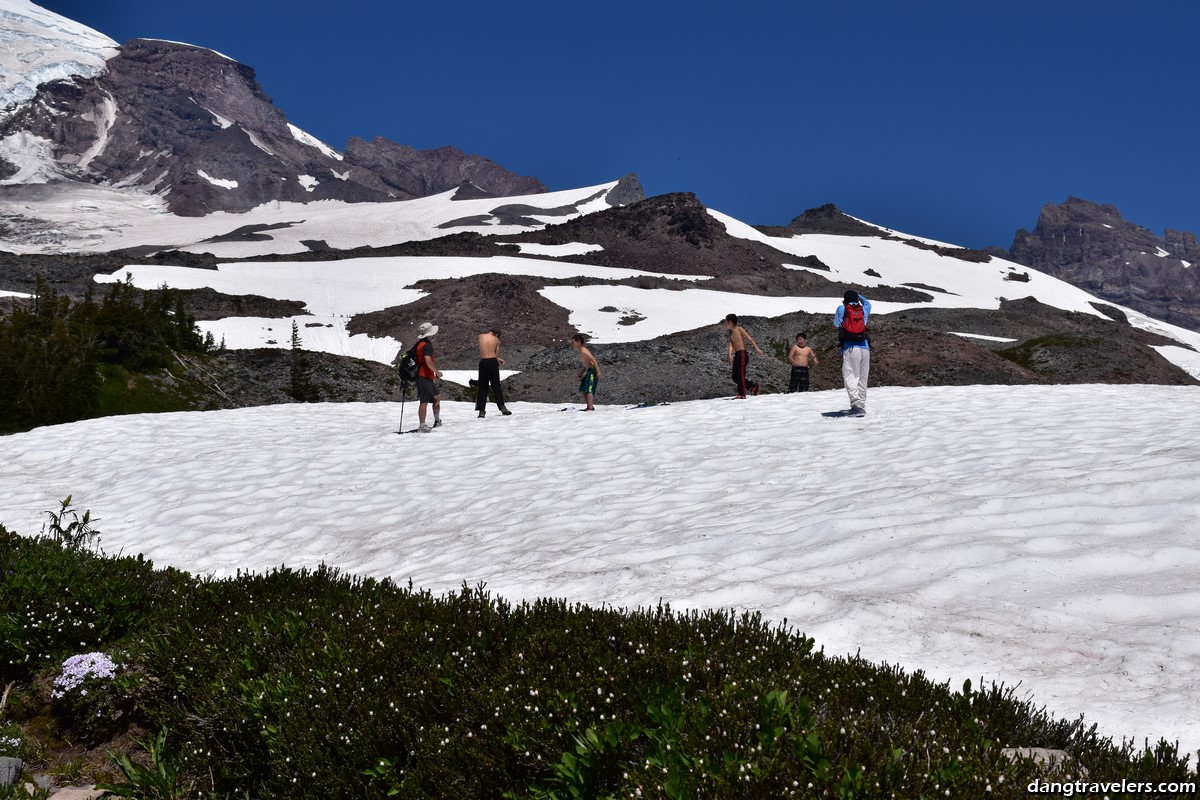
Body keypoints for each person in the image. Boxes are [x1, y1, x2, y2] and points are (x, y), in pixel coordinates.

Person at [833, 290, 871, 415]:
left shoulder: (842, 309)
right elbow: (868, 303)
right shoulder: (863, 310)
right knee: (863, 377)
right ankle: (861, 404)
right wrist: (859, 296)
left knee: (851, 375)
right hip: (865, 348)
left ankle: (856, 405)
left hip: (850, 348)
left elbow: (836, 324)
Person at [413, 322, 443, 432]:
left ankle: (437, 420)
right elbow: (428, 361)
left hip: (426, 377)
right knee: (424, 401)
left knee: (437, 397)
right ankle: (422, 425)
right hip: (424, 376)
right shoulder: (427, 346)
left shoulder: (420, 344)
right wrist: (437, 372)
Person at [724, 314, 763, 398]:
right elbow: (731, 345)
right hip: (737, 355)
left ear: (730, 322)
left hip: (742, 354)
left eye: (726, 322)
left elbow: (749, 338)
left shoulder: (739, 329)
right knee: (735, 377)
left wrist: (757, 348)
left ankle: (741, 394)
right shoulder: (731, 334)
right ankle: (753, 386)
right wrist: (730, 355)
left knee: (741, 374)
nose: (726, 323)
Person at [475, 328, 512, 418]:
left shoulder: (481, 336)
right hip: (492, 363)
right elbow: (495, 354)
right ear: (496, 334)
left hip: (483, 362)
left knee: (483, 387)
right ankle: (502, 407)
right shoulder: (497, 340)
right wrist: (498, 359)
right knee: (496, 385)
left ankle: (481, 411)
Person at [571, 333, 600, 411]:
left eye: (573, 342)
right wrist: (582, 372)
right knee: (583, 388)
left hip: (592, 371)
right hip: (589, 370)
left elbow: (593, 360)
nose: (572, 344)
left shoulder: (584, 351)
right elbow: (588, 363)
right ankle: (588, 406)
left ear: (578, 342)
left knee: (589, 388)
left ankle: (590, 407)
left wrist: (598, 372)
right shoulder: (581, 351)